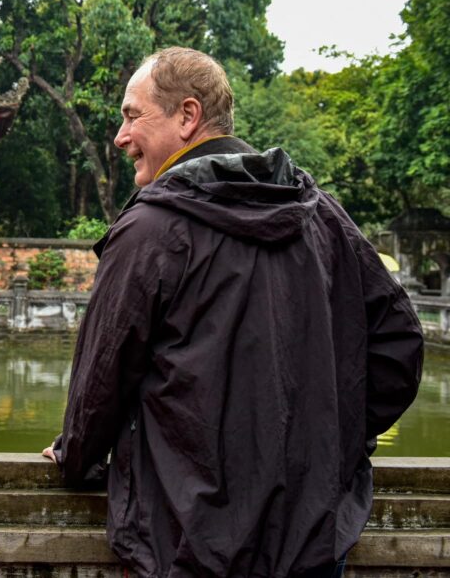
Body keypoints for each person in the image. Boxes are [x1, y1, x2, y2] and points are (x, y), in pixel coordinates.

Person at [42, 47, 424, 577]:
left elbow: (102, 377)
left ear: (187, 116)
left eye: (132, 116)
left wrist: (74, 456)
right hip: (310, 540)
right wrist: (327, 445)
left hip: (185, 542)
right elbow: (399, 345)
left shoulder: (152, 231)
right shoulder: (321, 216)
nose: (120, 136)